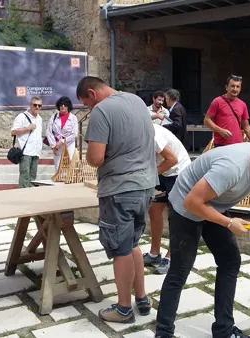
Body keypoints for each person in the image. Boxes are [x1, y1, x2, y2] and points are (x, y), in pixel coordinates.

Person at [155, 139, 250, 338]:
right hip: (186, 209)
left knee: (230, 261)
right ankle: (163, 333)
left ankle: (224, 331)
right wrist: (228, 222)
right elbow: (192, 202)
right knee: (180, 270)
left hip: (211, 206)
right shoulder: (231, 167)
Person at [78, 76, 156, 324]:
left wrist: (89, 151)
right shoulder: (137, 101)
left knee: (120, 250)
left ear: (92, 93)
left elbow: (96, 158)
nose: (89, 109)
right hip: (146, 187)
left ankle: (123, 308)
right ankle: (141, 298)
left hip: (120, 189)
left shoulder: (102, 110)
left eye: (86, 103)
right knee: (132, 243)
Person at [144, 124, 191, 275]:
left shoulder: (152, 134)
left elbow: (172, 159)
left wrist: (152, 174)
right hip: (162, 172)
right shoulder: (135, 131)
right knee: (154, 210)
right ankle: (154, 253)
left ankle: (171, 257)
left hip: (178, 172)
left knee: (174, 215)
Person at [204, 75, 250, 147]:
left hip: (238, 144)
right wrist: (220, 131)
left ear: (240, 89)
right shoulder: (217, 101)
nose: (235, 89)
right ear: (226, 87)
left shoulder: (242, 104)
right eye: (232, 86)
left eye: (238, 87)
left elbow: (246, 127)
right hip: (221, 144)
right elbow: (206, 120)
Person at [11, 97, 44, 188]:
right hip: (26, 152)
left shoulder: (39, 118)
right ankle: (23, 195)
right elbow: (13, 132)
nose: (37, 107)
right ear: (30, 105)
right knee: (25, 176)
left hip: (36, 151)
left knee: (33, 177)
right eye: (35, 105)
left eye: (39, 105)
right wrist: (27, 128)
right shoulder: (22, 116)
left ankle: (31, 197)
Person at [46, 96, 79, 172]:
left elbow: (74, 134)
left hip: (69, 144)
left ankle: (69, 181)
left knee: (70, 163)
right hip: (56, 144)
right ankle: (58, 180)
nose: (63, 106)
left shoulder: (73, 118)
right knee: (58, 165)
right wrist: (54, 145)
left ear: (68, 106)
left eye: (65, 105)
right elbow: (49, 131)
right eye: (61, 105)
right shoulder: (54, 117)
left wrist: (63, 141)